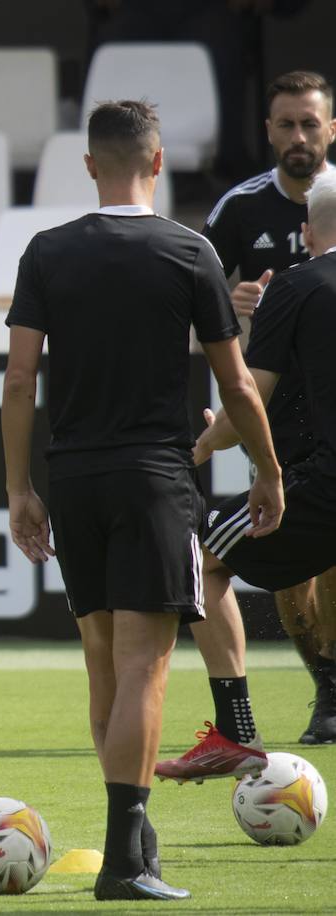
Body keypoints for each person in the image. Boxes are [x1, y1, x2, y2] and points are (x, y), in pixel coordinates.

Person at [3, 99, 283, 901]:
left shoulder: (46, 252)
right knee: (145, 670)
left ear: (91, 165)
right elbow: (234, 382)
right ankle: (125, 861)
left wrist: (21, 487)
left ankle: (136, 837)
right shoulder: (189, 251)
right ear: (157, 163)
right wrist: (266, 472)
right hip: (156, 479)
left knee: (104, 665)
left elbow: (20, 379)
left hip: (76, 477)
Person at [160, 169, 336, 781]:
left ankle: (236, 735)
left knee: (200, 561)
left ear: (308, 230)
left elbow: (248, 396)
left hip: (325, 485)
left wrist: (205, 442)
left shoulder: (299, 284)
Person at [197, 69, 336, 746]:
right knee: (295, 564)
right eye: (287, 124)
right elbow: (195, 306)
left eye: (311, 123)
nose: (299, 137)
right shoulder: (240, 209)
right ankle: (326, 684)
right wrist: (234, 309)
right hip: (274, 415)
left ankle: (325, 695)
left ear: (331, 129)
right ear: (269, 132)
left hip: (318, 414)